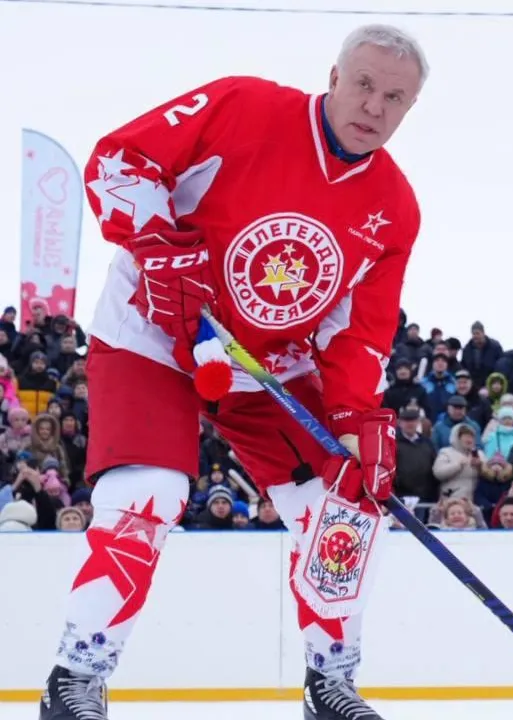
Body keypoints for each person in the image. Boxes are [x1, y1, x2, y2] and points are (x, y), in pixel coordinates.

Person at [40, 24, 426, 720]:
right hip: (154, 334)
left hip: (267, 367)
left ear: (408, 109)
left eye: (395, 97)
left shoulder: (394, 209)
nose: (375, 106)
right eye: (365, 85)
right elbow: (119, 162)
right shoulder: (242, 106)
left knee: (346, 502)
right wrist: (160, 246)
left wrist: (354, 419)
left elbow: (356, 334)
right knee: (148, 494)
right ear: (334, 77)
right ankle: (79, 672)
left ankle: (330, 679)